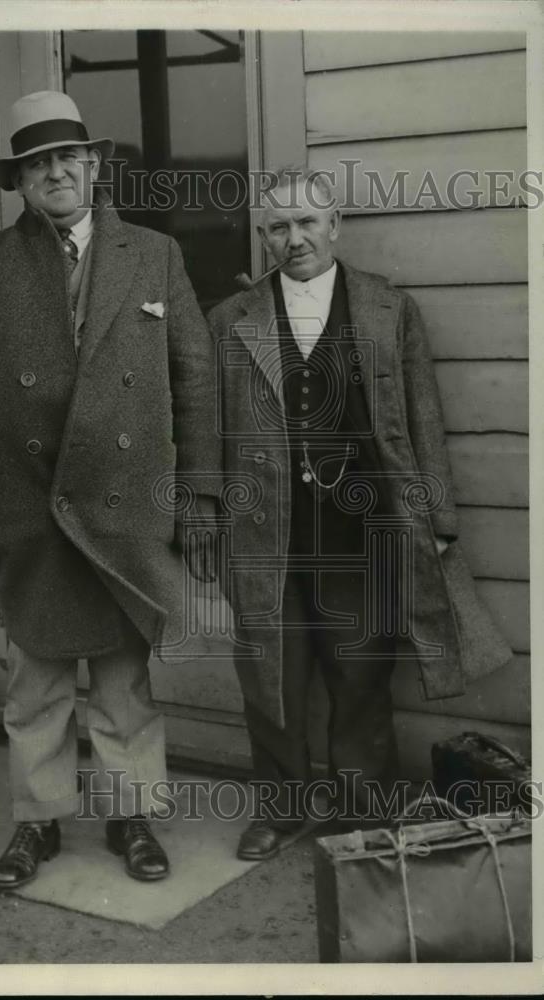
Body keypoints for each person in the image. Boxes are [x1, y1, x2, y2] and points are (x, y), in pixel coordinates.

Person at [0, 91, 219, 888]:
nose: (56, 172)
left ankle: (132, 817)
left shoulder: (154, 255)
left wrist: (200, 495)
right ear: (19, 180)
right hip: (27, 505)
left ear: (93, 166)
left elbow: (195, 381)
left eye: (68, 158)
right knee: (37, 683)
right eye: (38, 162)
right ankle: (35, 823)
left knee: (123, 684)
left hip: (123, 508)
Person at [207, 165, 512, 860]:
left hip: (361, 532)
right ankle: (280, 810)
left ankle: (361, 814)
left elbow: (423, 423)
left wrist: (436, 525)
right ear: (263, 237)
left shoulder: (385, 310)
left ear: (335, 226)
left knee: (361, 674)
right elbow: (207, 434)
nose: (294, 239)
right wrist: (210, 525)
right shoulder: (230, 322)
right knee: (271, 677)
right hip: (267, 534)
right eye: (278, 227)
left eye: (307, 223)